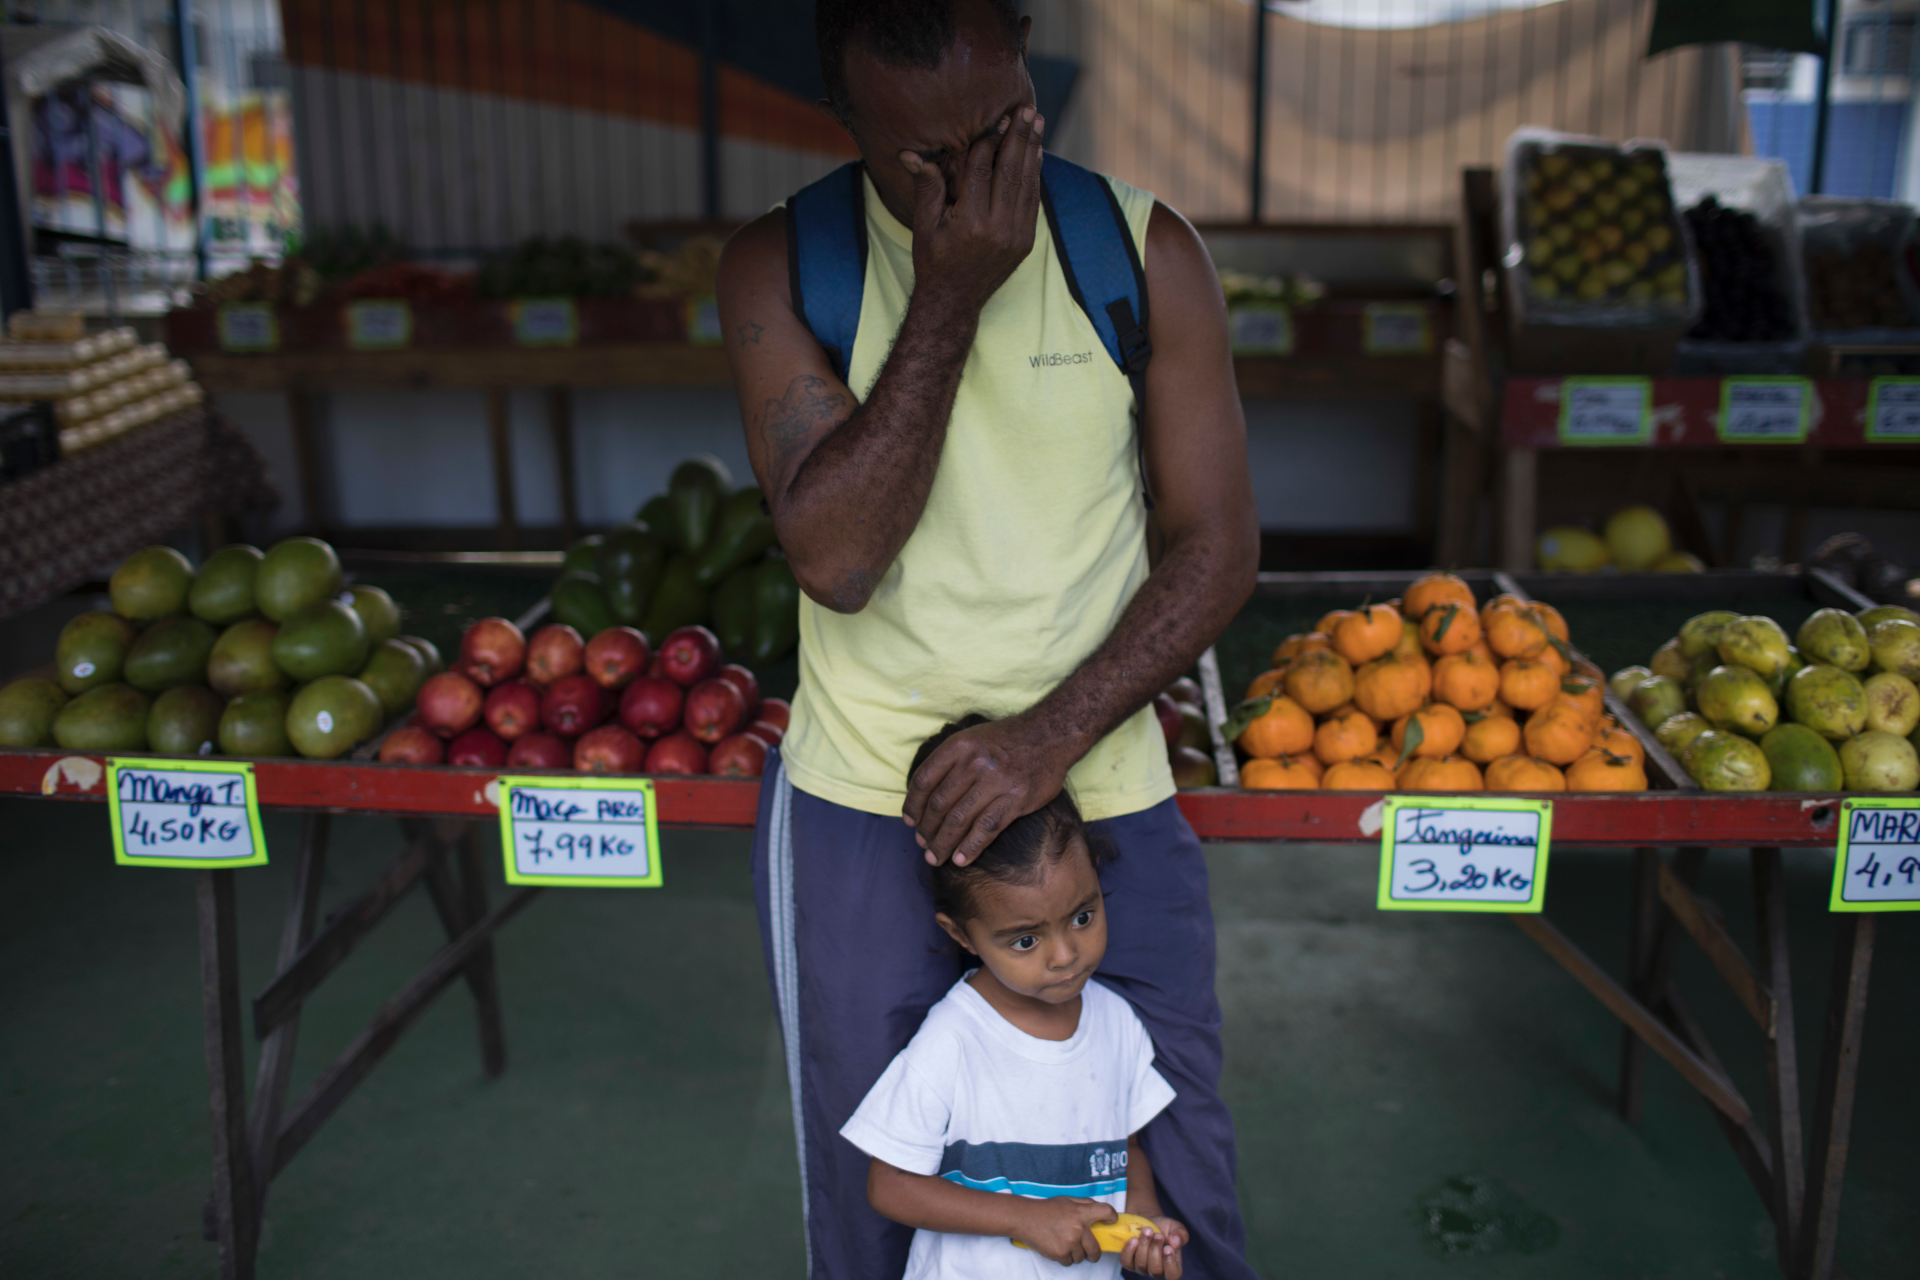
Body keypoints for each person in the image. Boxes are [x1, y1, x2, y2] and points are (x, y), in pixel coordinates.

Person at [718, 0, 1259, 1275]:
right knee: (878, 1195)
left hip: (1102, 785)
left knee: (1175, 1190)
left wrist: (1051, 736)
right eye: (929, 162)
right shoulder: (781, 266)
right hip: (861, 800)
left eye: (1004, 129)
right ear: (849, 126)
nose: (981, 183)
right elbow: (840, 560)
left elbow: (1218, 544)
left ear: (1030, 71)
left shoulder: (1143, 250)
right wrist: (952, 291)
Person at [841, 718, 1186, 1280]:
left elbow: (1124, 1148)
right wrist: (1023, 1218)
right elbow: (890, 1184)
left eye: (1082, 916)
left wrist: (1143, 1223)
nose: (1064, 955)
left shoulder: (1117, 1023)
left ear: (1097, 881)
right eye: (1025, 940)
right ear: (961, 936)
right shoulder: (953, 1038)